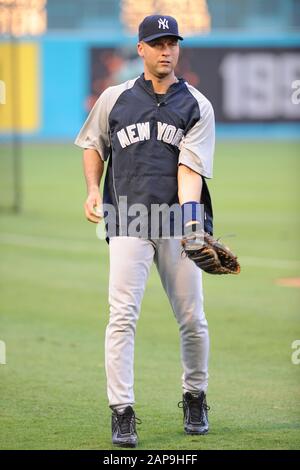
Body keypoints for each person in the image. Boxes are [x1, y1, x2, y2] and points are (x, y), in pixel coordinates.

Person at [75, 14, 215, 448]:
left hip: (178, 222)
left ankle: (195, 396)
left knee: (192, 319)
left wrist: (193, 223)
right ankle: (122, 412)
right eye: (157, 43)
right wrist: (92, 191)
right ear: (141, 49)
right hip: (128, 220)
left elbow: (189, 170)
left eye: (172, 42)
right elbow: (93, 144)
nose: (166, 50)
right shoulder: (114, 98)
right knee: (121, 317)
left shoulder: (197, 104)